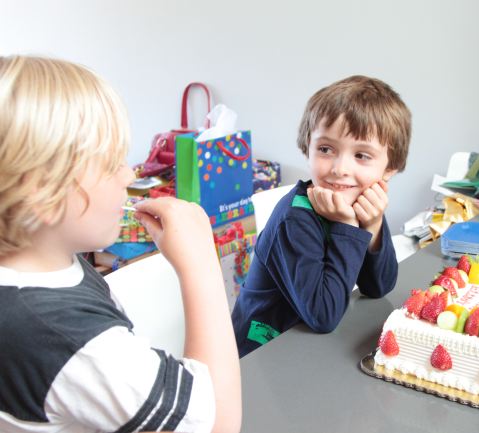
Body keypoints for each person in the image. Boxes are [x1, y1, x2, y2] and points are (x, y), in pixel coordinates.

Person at [0, 56, 241, 433]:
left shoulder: (46, 265)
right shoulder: (73, 341)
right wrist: (201, 264)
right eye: (112, 163)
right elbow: (218, 423)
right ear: (42, 194)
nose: (129, 175)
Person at [232, 75, 411, 357]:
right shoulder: (295, 220)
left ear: (390, 168)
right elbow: (323, 315)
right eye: (326, 149)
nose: (340, 169)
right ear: (308, 148)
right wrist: (347, 226)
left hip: (308, 351)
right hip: (260, 356)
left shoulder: (357, 201)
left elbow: (378, 286)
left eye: (362, 155)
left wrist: (373, 225)